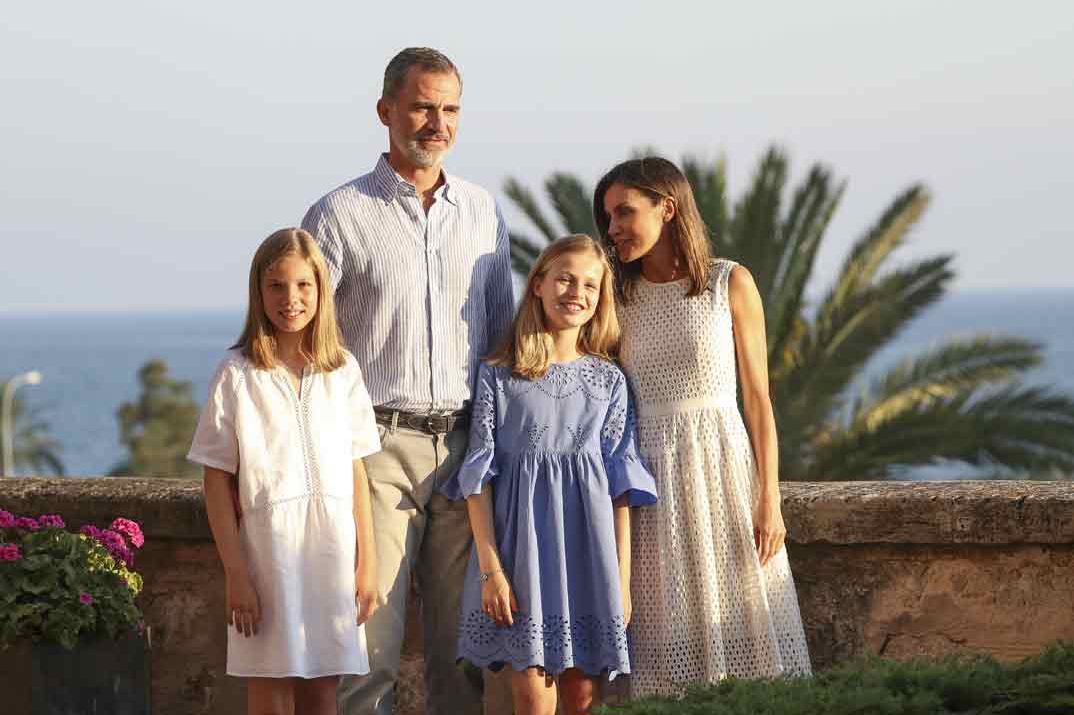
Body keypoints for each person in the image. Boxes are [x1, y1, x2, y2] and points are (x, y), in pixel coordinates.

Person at [300, 47, 515, 715]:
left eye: (448, 108)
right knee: (367, 650)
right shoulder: (337, 215)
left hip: (465, 453)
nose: (435, 122)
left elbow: (503, 337)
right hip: (375, 452)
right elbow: (306, 343)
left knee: (465, 658)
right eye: (422, 105)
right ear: (386, 110)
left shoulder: (483, 212)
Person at [592, 157, 812, 697]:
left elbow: (758, 399)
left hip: (723, 470)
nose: (614, 228)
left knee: (747, 625)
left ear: (667, 208)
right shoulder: (616, 296)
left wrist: (770, 497)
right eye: (608, 219)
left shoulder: (727, 281)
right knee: (664, 636)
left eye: (624, 212)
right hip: (650, 482)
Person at [441, 235, 658, 715]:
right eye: (564, 278)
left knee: (582, 699)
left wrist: (620, 583)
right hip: (521, 560)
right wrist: (492, 571)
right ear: (537, 283)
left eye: (590, 285)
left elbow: (622, 489)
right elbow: (478, 479)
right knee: (532, 700)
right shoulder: (499, 375)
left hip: (588, 555)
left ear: (601, 299)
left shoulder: (609, 381)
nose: (575, 292)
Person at [188, 228, 381, 715]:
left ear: (321, 290)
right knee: (270, 692)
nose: (290, 299)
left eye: (302, 286)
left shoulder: (343, 371)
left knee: (323, 691)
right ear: (258, 292)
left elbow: (356, 470)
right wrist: (237, 574)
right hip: (266, 555)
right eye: (276, 286)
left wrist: (368, 563)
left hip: (332, 553)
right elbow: (216, 479)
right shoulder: (237, 374)